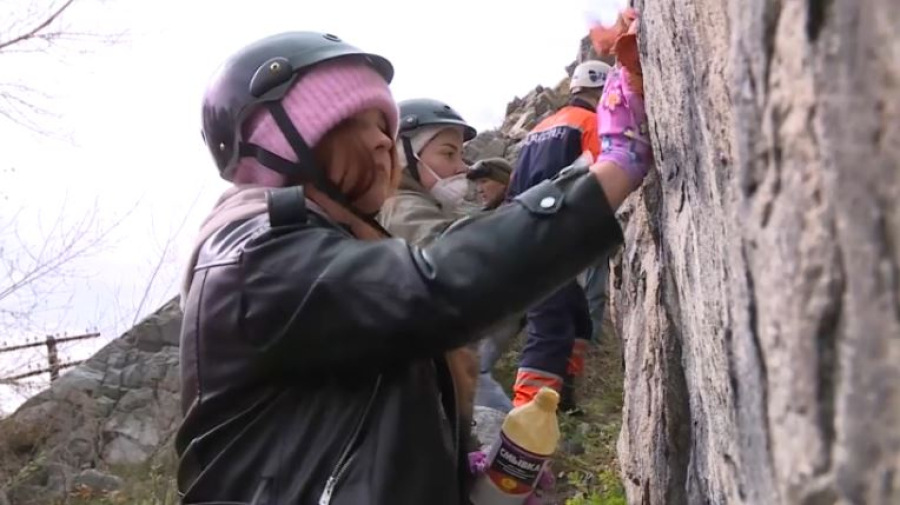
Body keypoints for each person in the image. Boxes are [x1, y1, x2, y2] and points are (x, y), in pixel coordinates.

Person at [176, 30, 647, 505]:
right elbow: (436, 285)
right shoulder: (249, 254)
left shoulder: (328, 252)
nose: (387, 146)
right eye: (367, 124)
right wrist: (611, 172)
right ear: (296, 138)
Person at [379, 100, 517, 414]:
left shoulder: (416, 204)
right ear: (403, 155)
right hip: (431, 374)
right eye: (447, 153)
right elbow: (455, 262)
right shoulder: (402, 209)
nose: (462, 167)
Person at [505, 59, 613, 411]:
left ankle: (562, 397)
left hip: (526, 225)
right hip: (555, 230)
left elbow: (513, 183)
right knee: (550, 323)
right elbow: (604, 169)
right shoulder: (590, 121)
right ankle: (527, 414)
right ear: (601, 90)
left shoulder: (540, 127)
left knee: (575, 314)